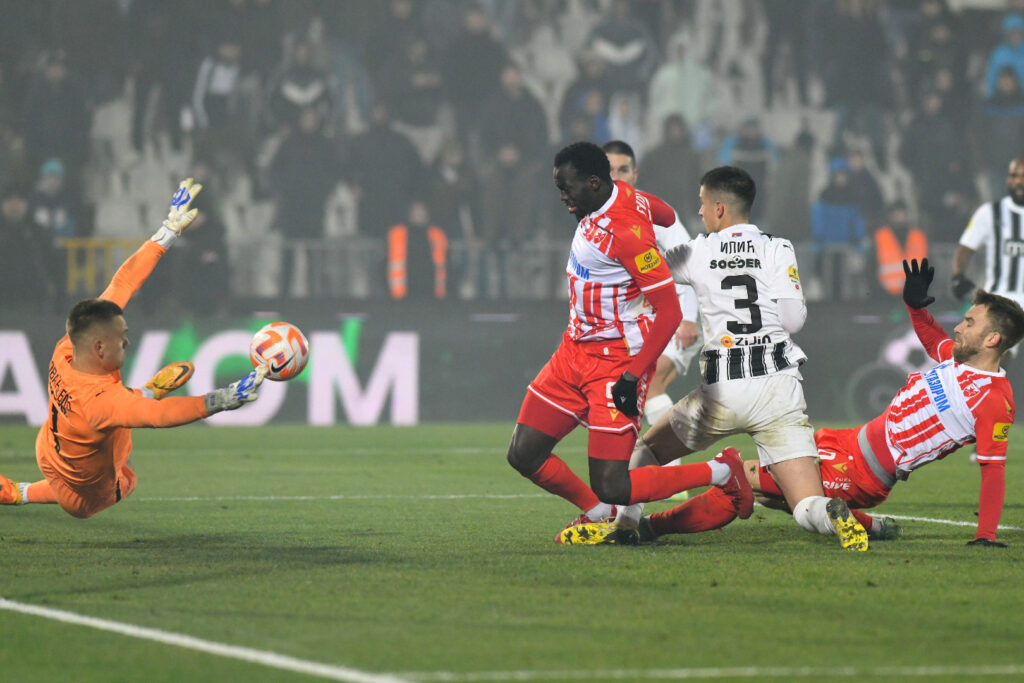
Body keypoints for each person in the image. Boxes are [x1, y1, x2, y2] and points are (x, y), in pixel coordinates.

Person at [568, 166, 870, 551]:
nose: (699, 213)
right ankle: (829, 513)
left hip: (722, 392)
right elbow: (793, 320)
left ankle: (626, 524)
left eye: (702, 204)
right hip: (779, 390)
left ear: (720, 209)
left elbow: (646, 268)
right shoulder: (778, 247)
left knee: (646, 451)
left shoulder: (698, 251)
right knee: (804, 504)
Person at [637, 260, 1021, 548]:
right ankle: (869, 525)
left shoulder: (993, 400)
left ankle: (638, 511)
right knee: (770, 494)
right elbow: (931, 337)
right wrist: (915, 307)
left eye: (970, 323)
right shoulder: (956, 361)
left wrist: (985, 535)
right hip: (844, 444)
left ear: (993, 340)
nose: (958, 326)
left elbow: (993, 470)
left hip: (860, 472)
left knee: (738, 475)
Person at [507, 143, 752, 543]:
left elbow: (669, 312)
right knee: (523, 454)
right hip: (573, 351)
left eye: (567, 189)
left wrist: (631, 376)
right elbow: (667, 215)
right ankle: (600, 515)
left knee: (613, 483)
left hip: (615, 361)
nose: (563, 198)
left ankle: (724, 472)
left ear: (593, 183)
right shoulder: (618, 200)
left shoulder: (626, 232)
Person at [0, 179, 266, 518]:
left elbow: (123, 282)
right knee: (127, 477)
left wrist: (167, 231)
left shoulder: (67, 346)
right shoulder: (103, 403)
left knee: (115, 416)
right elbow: (160, 417)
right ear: (98, 347)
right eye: (120, 337)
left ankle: (16, 491)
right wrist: (219, 400)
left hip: (48, 449)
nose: (127, 341)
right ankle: (22, 491)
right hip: (84, 494)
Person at [601, 140, 700, 427]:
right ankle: (648, 462)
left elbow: (686, 263)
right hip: (638, 321)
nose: (616, 176)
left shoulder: (651, 213)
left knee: (651, 381)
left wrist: (689, 319)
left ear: (635, 175)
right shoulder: (594, 218)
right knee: (634, 391)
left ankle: (671, 466)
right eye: (610, 170)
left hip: (677, 314)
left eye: (623, 169)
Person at [952, 157, 1024, 311]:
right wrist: (958, 276)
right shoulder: (989, 213)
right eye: (1014, 176)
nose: (1019, 181)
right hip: (999, 303)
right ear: (1007, 180)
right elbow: (966, 247)